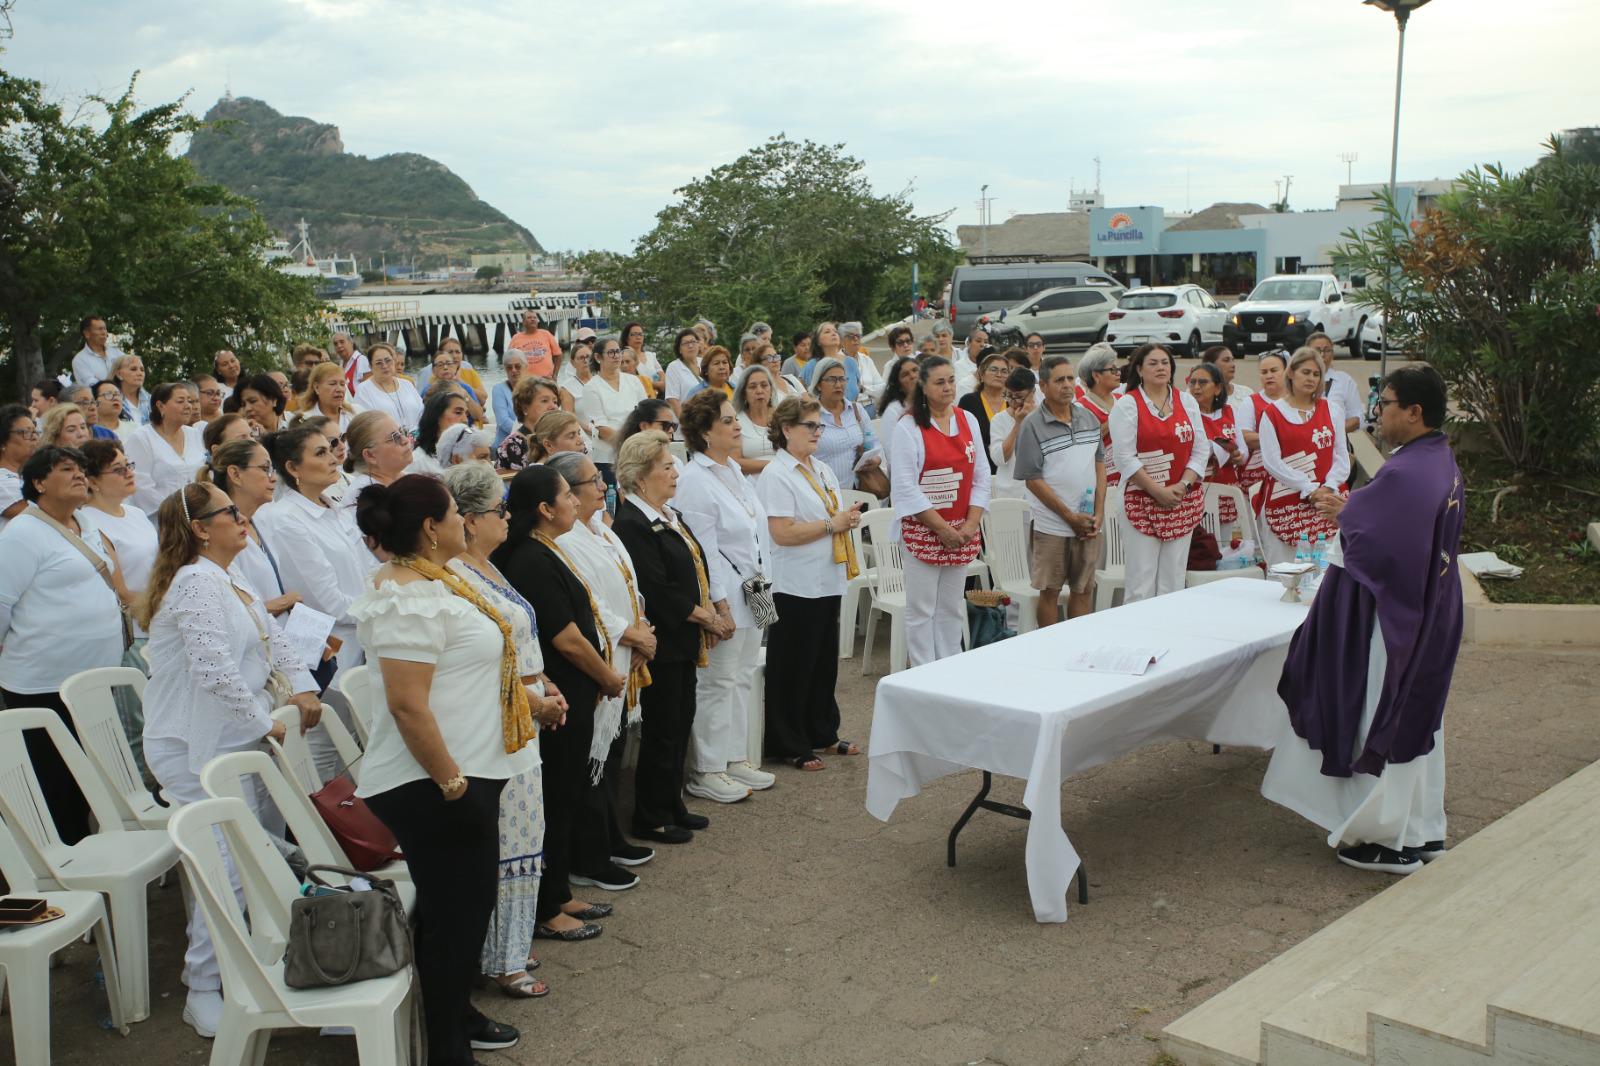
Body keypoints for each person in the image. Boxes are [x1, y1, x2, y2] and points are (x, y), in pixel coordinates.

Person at [350, 474, 528, 1061]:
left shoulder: (437, 581)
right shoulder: (409, 594)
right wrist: (454, 784)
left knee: (458, 909)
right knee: (458, 916)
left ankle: (452, 1013)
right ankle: (445, 1049)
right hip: (433, 782)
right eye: (455, 512)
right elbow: (407, 704)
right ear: (431, 528)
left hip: (462, 772)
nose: (464, 520)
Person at [1262, 365, 1463, 874]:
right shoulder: (1436, 459)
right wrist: (1353, 511)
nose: (1379, 412)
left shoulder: (1405, 472)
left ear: (1414, 413)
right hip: (1425, 616)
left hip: (1391, 625)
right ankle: (1419, 828)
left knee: (1379, 716)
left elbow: (1380, 542)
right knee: (1416, 723)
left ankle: (1381, 837)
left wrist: (1346, 516)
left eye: (1387, 403)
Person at [135, 481, 317, 1038]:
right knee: (228, 864)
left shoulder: (226, 576)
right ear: (199, 528)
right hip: (193, 746)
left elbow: (274, 642)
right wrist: (266, 722)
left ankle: (252, 956)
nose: (243, 519)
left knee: (252, 854)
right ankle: (203, 986)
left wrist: (304, 688)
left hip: (236, 737)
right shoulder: (194, 582)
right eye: (230, 512)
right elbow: (215, 670)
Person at [440, 461, 568, 998]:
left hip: (523, 716)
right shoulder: (456, 576)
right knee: (506, 839)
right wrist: (536, 697)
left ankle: (508, 948)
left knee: (524, 835)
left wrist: (546, 685)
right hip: (499, 722)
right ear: (469, 520)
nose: (506, 516)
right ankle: (499, 960)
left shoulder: (488, 566)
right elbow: (480, 660)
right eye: (498, 509)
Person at [492, 466, 624, 940]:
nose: (576, 500)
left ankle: (560, 890)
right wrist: (607, 675)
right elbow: (566, 637)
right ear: (545, 509)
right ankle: (547, 907)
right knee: (557, 797)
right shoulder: (530, 558)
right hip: (561, 695)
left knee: (567, 795)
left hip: (575, 694)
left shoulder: (550, 549)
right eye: (568, 494)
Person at [0, 446, 128, 845]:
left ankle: (95, 853)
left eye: (81, 469)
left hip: (93, 683)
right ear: (39, 483)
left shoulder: (85, 522)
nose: (79, 475)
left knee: (93, 779)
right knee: (57, 787)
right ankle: (66, 870)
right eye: (66, 469)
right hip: (43, 685)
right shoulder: (21, 533)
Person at [543, 452, 657, 890]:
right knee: (592, 759)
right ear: (569, 492)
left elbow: (629, 582)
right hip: (604, 653)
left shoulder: (600, 528)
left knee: (609, 754)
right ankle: (588, 856)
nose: (602, 486)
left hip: (627, 647)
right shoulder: (567, 539)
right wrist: (629, 633)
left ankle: (610, 837)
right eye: (593, 481)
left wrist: (642, 623)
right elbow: (591, 604)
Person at [612, 431, 726, 842]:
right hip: (664, 641)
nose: (675, 472)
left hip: (684, 639)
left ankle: (673, 803)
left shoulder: (667, 514)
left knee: (680, 723)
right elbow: (658, 590)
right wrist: (705, 618)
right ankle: (651, 814)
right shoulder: (634, 524)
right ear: (641, 478)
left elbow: (695, 566)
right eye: (665, 466)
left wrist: (710, 610)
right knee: (662, 728)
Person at [675, 391, 774, 803]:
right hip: (727, 593)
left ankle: (734, 757)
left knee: (744, 674)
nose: (738, 426)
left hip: (757, 588)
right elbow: (704, 551)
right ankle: (706, 768)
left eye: (736, 419)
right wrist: (718, 605)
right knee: (717, 680)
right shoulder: (695, 480)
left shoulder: (732, 468)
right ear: (704, 431)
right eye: (729, 420)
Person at [757, 396, 860, 770]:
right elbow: (781, 533)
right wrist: (833, 524)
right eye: (810, 426)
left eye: (820, 426)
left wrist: (844, 518)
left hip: (826, 577)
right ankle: (788, 740)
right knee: (794, 665)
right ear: (786, 430)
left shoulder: (820, 468)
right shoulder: (777, 474)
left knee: (822, 660)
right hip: (794, 582)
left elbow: (830, 514)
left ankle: (822, 731)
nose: (818, 432)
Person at [888, 356, 989, 666]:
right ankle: (923, 669)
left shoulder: (968, 420)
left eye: (951, 381)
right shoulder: (908, 427)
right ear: (924, 386)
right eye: (939, 382)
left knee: (951, 605)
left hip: (962, 529)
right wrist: (942, 529)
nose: (947, 387)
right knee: (921, 609)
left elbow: (981, 476)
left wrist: (970, 524)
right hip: (925, 529)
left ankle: (950, 664)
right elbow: (905, 487)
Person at [256, 424, 369, 683]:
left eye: (330, 450)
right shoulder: (286, 520)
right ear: (293, 468)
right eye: (319, 453)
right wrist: (380, 612)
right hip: (337, 651)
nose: (332, 458)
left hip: (365, 635)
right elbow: (325, 602)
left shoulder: (334, 507)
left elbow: (365, 571)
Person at [1109, 344, 1209, 601]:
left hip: (1180, 498)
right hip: (1140, 499)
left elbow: (1200, 448)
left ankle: (1170, 637)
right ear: (1140, 370)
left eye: (1165, 362)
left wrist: (1183, 486)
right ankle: (1140, 639)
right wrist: (1157, 492)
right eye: (1153, 363)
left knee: (1173, 579)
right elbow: (1123, 457)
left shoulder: (1186, 401)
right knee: (1141, 581)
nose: (1161, 367)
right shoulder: (1127, 405)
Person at [83, 440, 159, 762]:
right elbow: (121, 592)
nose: (129, 473)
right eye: (118, 469)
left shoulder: (137, 513)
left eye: (129, 465)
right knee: (137, 725)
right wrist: (171, 604)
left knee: (159, 720)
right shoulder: (90, 523)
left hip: (157, 627)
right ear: (92, 480)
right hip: (132, 637)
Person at [1014, 356, 1105, 625]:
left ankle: (1080, 648)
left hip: (1088, 523)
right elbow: (1032, 479)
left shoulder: (1088, 418)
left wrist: (1098, 513)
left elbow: (1099, 464)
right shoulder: (1032, 425)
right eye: (1059, 380)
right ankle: (1051, 652)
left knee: (1083, 589)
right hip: (1052, 526)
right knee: (1050, 591)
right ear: (1043, 385)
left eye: (1070, 379)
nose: (1067, 385)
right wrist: (1068, 516)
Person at [1256, 346, 1349, 566]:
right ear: (1291, 373)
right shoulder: (1272, 413)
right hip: (1285, 502)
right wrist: (1307, 487)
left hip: (1328, 500)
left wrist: (1328, 487)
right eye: (1306, 372)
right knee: (1285, 572)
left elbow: (1341, 457)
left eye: (1316, 374)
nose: (1311, 379)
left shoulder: (1332, 410)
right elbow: (1272, 462)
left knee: (1327, 570)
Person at [202, 439, 303, 621]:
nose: (273, 478)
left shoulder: (260, 522)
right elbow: (228, 613)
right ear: (235, 474)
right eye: (265, 469)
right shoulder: (221, 536)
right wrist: (284, 602)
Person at [122, 382, 206, 515]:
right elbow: (140, 485)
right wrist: (175, 511)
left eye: (189, 401)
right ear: (161, 406)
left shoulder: (194, 434)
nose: (188, 406)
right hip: (161, 518)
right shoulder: (141, 438)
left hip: (198, 514)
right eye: (180, 401)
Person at [579, 337, 648, 489]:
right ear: (598, 357)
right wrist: (629, 445)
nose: (617, 356)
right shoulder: (592, 388)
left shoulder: (633, 381)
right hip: (608, 457)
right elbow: (601, 428)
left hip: (638, 452)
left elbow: (646, 413)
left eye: (618, 351)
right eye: (611, 352)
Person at [1186, 362, 1250, 528]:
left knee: (1227, 547)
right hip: (1198, 490)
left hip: (1227, 491)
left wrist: (1238, 456)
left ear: (1218, 388)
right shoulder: (1186, 415)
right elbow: (1189, 451)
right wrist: (1218, 450)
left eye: (1203, 382)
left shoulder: (1229, 411)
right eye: (1192, 382)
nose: (1196, 387)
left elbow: (1243, 450)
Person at [811, 356, 882, 493]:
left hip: (859, 490)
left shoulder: (857, 410)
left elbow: (873, 442)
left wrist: (876, 459)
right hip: (825, 493)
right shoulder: (810, 414)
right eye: (832, 379)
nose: (838, 385)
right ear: (818, 384)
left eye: (842, 379)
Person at [1237, 350, 1289, 497]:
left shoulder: (1296, 401)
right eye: (1264, 372)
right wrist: (1287, 436)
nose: (1269, 375)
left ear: (1287, 372)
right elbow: (1246, 438)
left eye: (1273, 371)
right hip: (1257, 480)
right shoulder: (1251, 402)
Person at [987, 367, 1037, 500]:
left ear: (1032, 393)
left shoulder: (1043, 417)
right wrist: (1018, 424)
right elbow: (999, 459)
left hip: (1039, 492)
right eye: (1008, 395)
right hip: (1010, 492)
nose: (1013, 402)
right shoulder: (999, 419)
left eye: (1019, 397)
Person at [958, 351, 1011, 475]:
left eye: (1004, 371)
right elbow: (964, 438)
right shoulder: (969, 401)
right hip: (979, 468)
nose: (999, 375)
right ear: (981, 374)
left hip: (1009, 469)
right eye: (994, 370)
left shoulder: (1013, 402)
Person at [353, 342, 424, 434]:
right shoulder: (363, 390)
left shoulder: (407, 384)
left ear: (394, 361)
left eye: (388, 360)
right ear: (370, 366)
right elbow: (364, 424)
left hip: (417, 439)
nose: (385, 366)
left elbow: (422, 411)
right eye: (379, 363)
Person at [497, 376, 561, 471]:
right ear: (525, 408)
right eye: (545, 401)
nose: (553, 407)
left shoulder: (561, 436)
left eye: (555, 401)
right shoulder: (512, 445)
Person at [422, 342, 487, 426]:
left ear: (455, 367)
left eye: (449, 364)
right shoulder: (428, 390)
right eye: (440, 365)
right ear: (434, 370)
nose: (445, 367)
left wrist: (466, 396)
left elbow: (479, 416)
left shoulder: (465, 387)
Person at [1309, 332, 1362, 433]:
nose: (1322, 355)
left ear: (1332, 354)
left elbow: (1356, 419)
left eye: (1327, 350)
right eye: (1317, 350)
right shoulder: (1297, 381)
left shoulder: (1344, 380)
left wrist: (1331, 433)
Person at [732, 364, 778, 481]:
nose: (759, 391)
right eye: (752, 387)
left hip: (784, 481)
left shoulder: (783, 418)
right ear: (744, 393)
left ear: (771, 390)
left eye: (764, 385)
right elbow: (734, 462)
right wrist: (774, 465)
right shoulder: (736, 421)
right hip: (751, 485)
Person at [411, 390, 471, 477]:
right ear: (437, 416)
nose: (465, 420)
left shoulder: (468, 453)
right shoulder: (418, 460)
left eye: (467, 414)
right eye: (458, 413)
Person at [798, 322, 862, 403]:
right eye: (827, 332)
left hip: (850, 413)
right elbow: (799, 391)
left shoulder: (851, 362)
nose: (833, 333)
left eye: (835, 331)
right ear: (818, 341)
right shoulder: (811, 365)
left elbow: (857, 390)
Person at [0, 404, 38, 533]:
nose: (34, 437)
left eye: (34, 432)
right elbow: (40, 516)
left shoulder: (28, 476)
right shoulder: (2, 481)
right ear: (3, 443)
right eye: (25, 433)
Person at [662, 328, 701, 430]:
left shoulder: (705, 363)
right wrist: (687, 425)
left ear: (698, 344)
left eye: (693, 341)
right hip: (686, 428)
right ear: (679, 349)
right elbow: (673, 400)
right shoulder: (674, 367)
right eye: (686, 343)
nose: (690, 345)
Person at [72, 315, 125, 387]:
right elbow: (93, 386)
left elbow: (132, 371)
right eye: (99, 329)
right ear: (87, 333)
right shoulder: (80, 360)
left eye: (105, 329)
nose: (104, 333)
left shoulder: (116, 352)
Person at [839, 322, 882, 409]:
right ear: (842, 341)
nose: (855, 339)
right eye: (851, 336)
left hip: (870, 407)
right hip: (847, 409)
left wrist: (864, 389)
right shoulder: (837, 361)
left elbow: (881, 386)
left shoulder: (867, 360)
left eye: (858, 336)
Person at [489, 351, 527, 449]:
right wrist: (526, 434)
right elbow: (503, 421)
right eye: (509, 367)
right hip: (505, 445)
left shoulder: (533, 389)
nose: (514, 370)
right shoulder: (499, 389)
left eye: (517, 366)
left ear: (525, 366)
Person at [508, 310, 562, 379]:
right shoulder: (516, 338)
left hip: (546, 379)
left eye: (535, 317)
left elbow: (558, 355)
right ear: (523, 322)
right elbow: (509, 359)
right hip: (525, 380)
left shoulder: (546, 334)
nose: (532, 319)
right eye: (529, 318)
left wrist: (555, 375)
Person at [877, 355, 919, 431]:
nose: (912, 376)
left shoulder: (932, 401)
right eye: (905, 374)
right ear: (899, 385)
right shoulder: (893, 411)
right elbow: (889, 442)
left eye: (915, 370)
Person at [619, 321, 664, 386]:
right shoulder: (622, 357)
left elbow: (662, 376)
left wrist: (659, 384)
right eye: (634, 334)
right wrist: (655, 385)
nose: (638, 337)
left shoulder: (650, 355)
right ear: (626, 338)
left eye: (640, 334)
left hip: (658, 394)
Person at [109, 354, 150, 424]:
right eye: (133, 369)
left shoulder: (152, 400)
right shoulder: (109, 400)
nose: (140, 373)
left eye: (142, 370)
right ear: (119, 374)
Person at [557, 340, 594, 412]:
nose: (586, 360)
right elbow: (569, 418)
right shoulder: (567, 388)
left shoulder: (601, 380)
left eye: (588, 357)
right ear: (573, 362)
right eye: (581, 358)